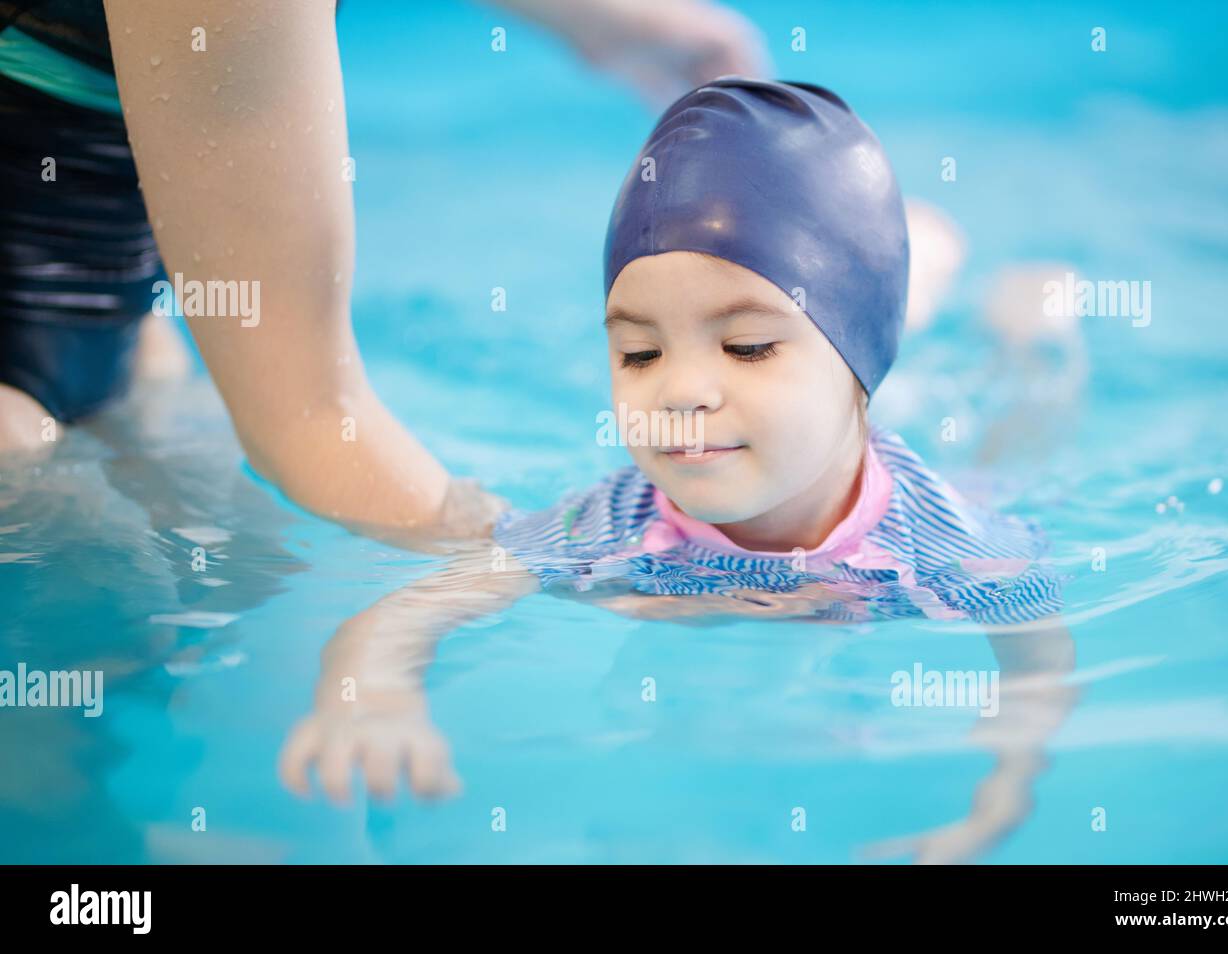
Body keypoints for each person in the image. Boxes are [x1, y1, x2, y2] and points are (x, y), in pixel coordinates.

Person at [280, 79, 1079, 863]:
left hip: (946, 466)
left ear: (863, 364)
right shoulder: (614, 521)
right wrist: (375, 694)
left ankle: (1024, 323)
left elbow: (1035, 652)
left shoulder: (943, 538)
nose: (681, 391)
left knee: (1012, 436)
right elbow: (420, 604)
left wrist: (1001, 791)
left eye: (746, 347)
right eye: (639, 353)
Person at [0, 0, 770, 548]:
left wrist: (603, 17)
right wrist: (584, 558)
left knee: (207, 524)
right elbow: (310, 422)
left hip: (107, 313)